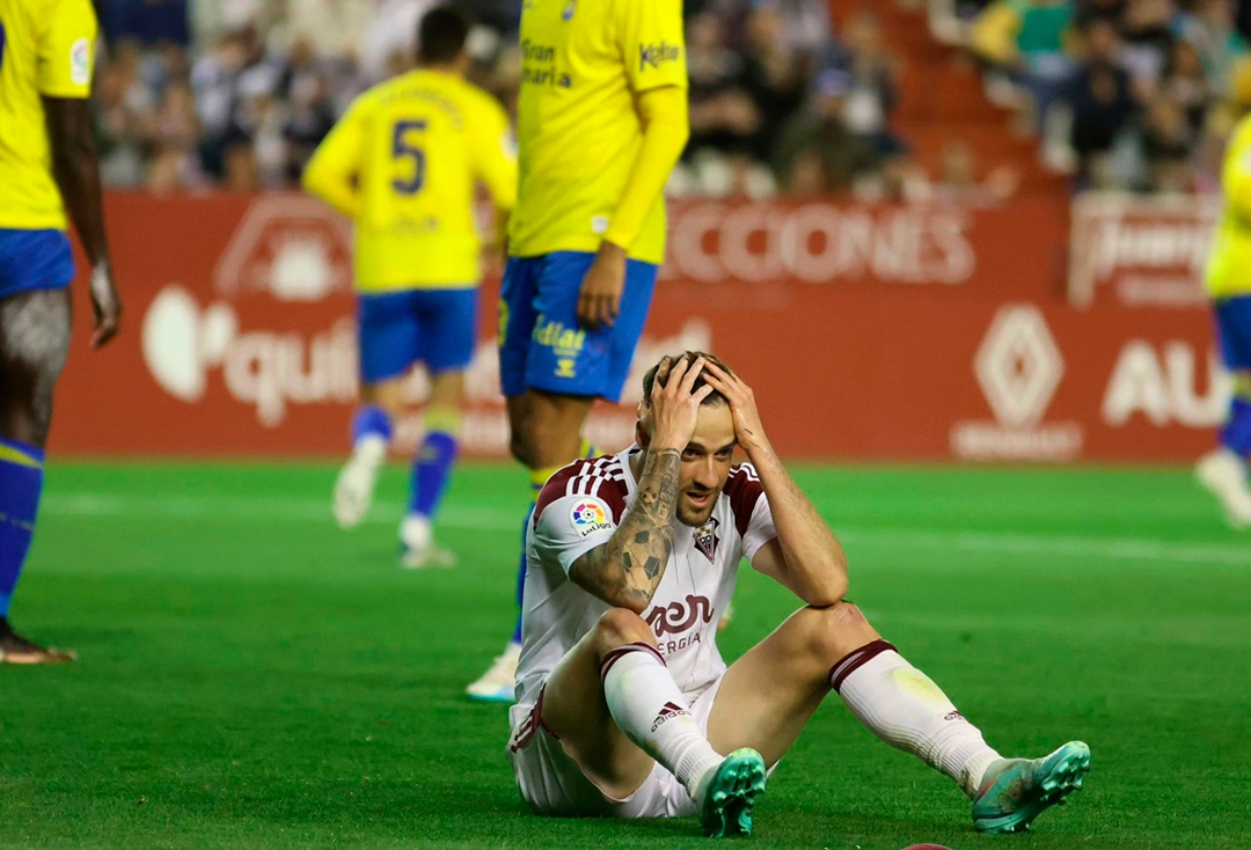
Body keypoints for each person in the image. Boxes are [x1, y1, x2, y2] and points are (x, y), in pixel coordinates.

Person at [507, 351, 1091, 837]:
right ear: (645, 436)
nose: (710, 476)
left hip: (707, 742)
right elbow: (629, 587)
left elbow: (828, 582)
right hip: (580, 763)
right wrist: (664, 452)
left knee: (835, 621)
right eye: (689, 452)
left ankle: (988, 774)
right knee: (620, 625)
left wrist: (758, 444)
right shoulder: (579, 495)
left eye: (723, 451)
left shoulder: (733, 486)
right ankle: (704, 773)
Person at [466, 0, 690, 699]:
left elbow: (669, 122)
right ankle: (674, 564)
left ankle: (526, 644)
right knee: (529, 438)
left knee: (548, 435)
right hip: (532, 236)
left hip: (592, 238)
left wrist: (614, 244)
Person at [302, 6, 516, 567]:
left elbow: (319, 173)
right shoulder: (475, 108)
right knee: (445, 399)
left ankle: (371, 446)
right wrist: (497, 238)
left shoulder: (375, 103)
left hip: (383, 266)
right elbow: (512, 191)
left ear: (417, 48)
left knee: (381, 394)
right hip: (449, 266)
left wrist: (372, 215)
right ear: (464, 54)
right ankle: (417, 529)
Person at [0, 0, 123, 662]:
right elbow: (72, 137)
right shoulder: (59, 5)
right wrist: (100, 262)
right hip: (21, 228)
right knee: (21, 415)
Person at [1196, 104, 1251, 527]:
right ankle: (1229, 456)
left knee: (1247, 379)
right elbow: (1243, 191)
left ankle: (1230, 462)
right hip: (1243, 277)